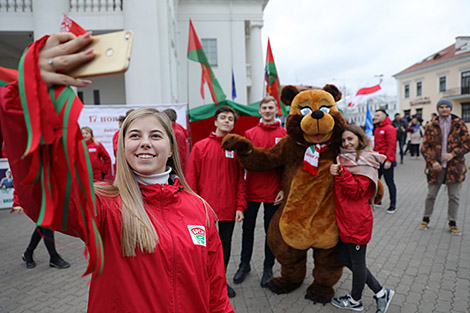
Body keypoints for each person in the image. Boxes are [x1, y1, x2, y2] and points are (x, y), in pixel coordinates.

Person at [1, 32, 234, 313]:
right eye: (134, 135)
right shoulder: (104, 205)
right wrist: (28, 96)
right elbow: (44, 197)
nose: (145, 142)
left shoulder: (201, 210)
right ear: (123, 148)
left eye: (156, 135)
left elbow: (216, 293)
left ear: (172, 149)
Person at [330, 125, 394, 313]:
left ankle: (356, 300)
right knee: (345, 258)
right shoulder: (344, 159)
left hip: (357, 221)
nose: (346, 143)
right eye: (343, 140)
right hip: (345, 219)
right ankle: (382, 293)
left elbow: (358, 191)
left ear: (359, 139)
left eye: (350, 139)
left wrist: (342, 173)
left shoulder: (367, 160)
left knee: (358, 262)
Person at [186, 105, 246, 298]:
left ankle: (220, 281)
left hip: (228, 208)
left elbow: (240, 180)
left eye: (230, 118)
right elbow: (191, 179)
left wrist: (239, 207)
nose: (227, 121)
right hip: (204, 209)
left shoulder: (237, 150)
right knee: (202, 247)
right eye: (223, 117)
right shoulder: (200, 146)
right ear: (215, 121)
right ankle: (202, 281)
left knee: (225, 245)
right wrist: (193, 207)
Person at [232, 96, 286, 288]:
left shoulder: (284, 133)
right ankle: (244, 264)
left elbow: (286, 165)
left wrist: (282, 188)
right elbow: (244, 163)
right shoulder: (249, 132)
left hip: (273, 191)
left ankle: (268, 267)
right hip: (252, 190)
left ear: (276, 109)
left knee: (270, 232)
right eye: (264, 108)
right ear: (260, 111)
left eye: (271, 107)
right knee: (247, 230)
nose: (268, 111)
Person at [419, 98, 470, 235]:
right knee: (431, 195)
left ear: (450, 108)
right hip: (436, 168)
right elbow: (425, 147)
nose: (444, 109)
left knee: (454, 196)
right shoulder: (430, 125)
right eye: (441, 107)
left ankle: (452, 222)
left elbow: (467, 144)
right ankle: (426, 219)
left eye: (446, 107)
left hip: (455, 167)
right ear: (437, 109)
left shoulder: (459, 125)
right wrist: (433, 162)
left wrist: (452, 154)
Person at [12, 194, 70, 269]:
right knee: (46, 225)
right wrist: (17, 203)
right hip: (35, 199)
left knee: (42, 227)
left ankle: (28, 253)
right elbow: (19, 184)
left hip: (47, 199)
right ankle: (54, 257)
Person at [373, 109, 397, 214]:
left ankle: (393, 205)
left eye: (378, 115)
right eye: (375, 115)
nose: (376, 117)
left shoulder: (389, 128)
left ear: (384, 116)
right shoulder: (377, 129)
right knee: (377, 181)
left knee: (389, 182)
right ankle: (378, 200)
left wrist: (389, 160)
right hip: (377, 160)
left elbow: (392, 146)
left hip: (386, 161)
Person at [163, 108, 190, 173]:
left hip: (175, 167)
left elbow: (179, 153)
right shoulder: (176, 129)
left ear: (168, 118)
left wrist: (177, 170)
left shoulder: (176, 133)